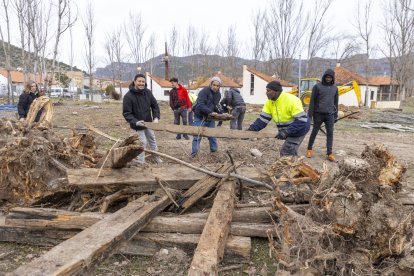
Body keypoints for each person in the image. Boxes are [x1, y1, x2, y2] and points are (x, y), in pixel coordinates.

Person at [247, 80, 310, 156]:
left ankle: (291, 166)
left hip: (300, 129)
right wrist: (250, 131)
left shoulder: (291, 100)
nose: (266, 93)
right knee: (290, 152)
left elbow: (301, 120)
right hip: (290, 130)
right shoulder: (269, 102)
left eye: (268, 91)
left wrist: (286, 132)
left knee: (286, 153)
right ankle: (294, 165)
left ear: (276, 91)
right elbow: (262, 120)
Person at [123, 74, 162, 164]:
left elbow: (155, 105)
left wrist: (156, 117)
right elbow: (127, 113)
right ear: (134, 82)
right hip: (137, 125)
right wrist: (135, 122)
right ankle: (141, 162)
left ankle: (156, 157)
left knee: (152, 140)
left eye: (143, 82)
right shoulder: (128, 96)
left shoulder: (148, 92)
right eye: (139, 81)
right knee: (142, 143)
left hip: (148, 123)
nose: (141, 83)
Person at [306, 69, 339, 162]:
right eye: (327, 77)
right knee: (314, 131)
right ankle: (309, 149)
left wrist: (335, 115)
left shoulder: (335, 88)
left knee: (330, 134)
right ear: (324, 77)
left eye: (330, 77)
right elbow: (312, 102)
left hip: (330, 115)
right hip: (318, 114)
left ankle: (329, 153)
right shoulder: (317, 87)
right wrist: (310, 115)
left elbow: (336, 102)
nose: (328, 79)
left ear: (332, 78)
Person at [191, 76, 222, 157]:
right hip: (199, 116)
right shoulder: (204, 91)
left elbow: (215, 105)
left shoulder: (218, 94)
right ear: (211, 84)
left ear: (219, 86)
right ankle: (194, 153)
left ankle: (214, 152)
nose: (215, 87)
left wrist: (220, 113)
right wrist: (211, 112)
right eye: (214, 85)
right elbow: (200, 105)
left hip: (210, 118)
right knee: (197, 135)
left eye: (217, 86)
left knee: (212, 135)